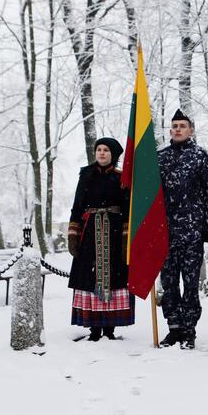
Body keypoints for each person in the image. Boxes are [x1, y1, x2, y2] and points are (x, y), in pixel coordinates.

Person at [157, 109, 208, 349]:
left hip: (192, 232)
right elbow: (148, 195)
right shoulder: (160, 158)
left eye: (182, 126)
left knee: (190, 283)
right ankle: (173, 328)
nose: (177, 129)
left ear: (191, 130)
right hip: (165, 233)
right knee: (169, 282)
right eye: (174, 126)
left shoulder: (201, 157)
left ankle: (189, 330)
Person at [67, 138, 134, 341]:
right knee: (90, 276)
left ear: (113, 154)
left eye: (106, 150)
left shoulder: (121, 178)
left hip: (114, 233)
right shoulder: (86, 175)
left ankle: (110, 329)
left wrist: (125, 240)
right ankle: (94, 328)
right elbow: (77, 206)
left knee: (114, 276)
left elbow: (128, 209)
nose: (102, 153)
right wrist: (73, 234)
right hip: (89, 234)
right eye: (99, 150)